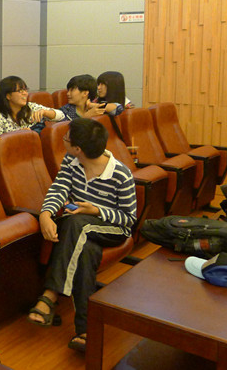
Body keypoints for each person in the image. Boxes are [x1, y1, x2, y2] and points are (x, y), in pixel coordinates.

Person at [27, 118, 136, 353]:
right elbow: (59, 188)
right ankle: (86, 331)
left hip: (112, 228)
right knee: (85, 252)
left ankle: (51, 294)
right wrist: (45, 213)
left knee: (76, 223)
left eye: (67, 138)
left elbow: (128, 219)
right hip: (80, 229)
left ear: (78, 149)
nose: (63, 140)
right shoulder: (72, 161)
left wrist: (96, 210)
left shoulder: (121, 174)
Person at [0, 75, 65, 138]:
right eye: (20, 91)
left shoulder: (31, 107)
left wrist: (45, 112)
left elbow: (61, 115)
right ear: (8, 96)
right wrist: (18, 134)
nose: (25, 93)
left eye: (25, 90)